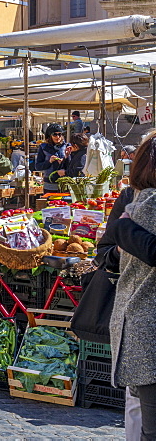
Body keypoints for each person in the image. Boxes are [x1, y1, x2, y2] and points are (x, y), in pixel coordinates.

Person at [106, 129, 156, 439]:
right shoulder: (144, 200)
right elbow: (108, 256)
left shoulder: (140, 203)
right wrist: (118, 248)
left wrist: (124, 228)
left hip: (143, 328)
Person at [35, 125, 68, 193]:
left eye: (60, 134)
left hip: (65, 183)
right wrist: (49, 161)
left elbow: (72, 165)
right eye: (54, 134)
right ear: (50, 136)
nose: (57, 137)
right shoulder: (44, 147)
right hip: (50, 184)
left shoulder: (67, 146)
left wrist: (63, 162)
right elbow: (38, 167)